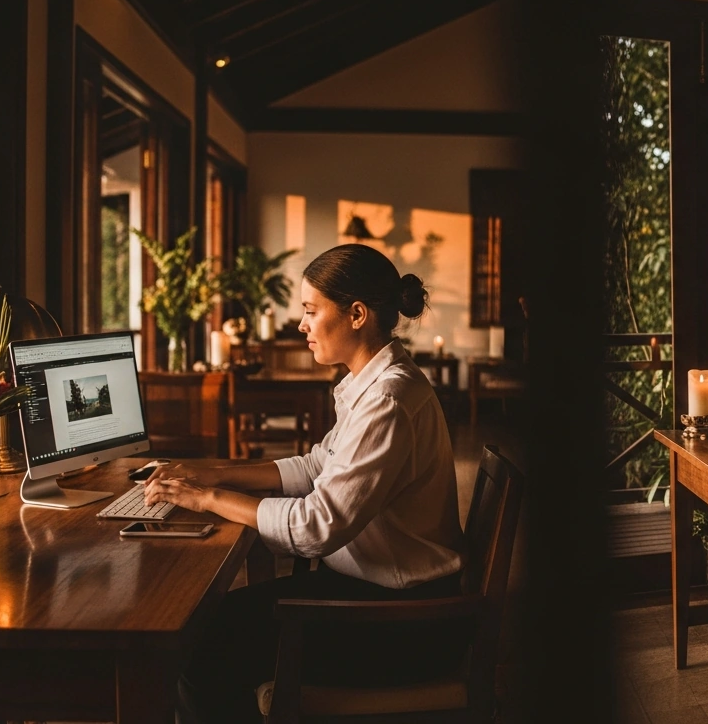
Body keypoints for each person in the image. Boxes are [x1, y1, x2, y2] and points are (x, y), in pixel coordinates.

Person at [144, 243, 467, 723]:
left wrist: (209, 498)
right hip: (371, 596)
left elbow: (316, 528)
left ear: (357, 314)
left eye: (311, 311)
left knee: (198, 651)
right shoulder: (372, 383)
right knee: (205, 630)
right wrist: (214, 472)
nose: (301, 324)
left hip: (402, 624)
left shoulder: (390, 401)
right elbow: (319, 467)